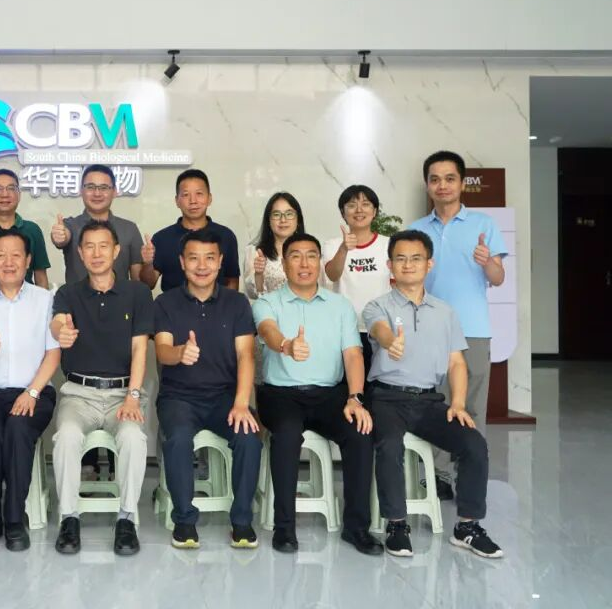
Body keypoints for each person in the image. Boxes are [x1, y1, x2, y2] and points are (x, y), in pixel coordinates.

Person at [364, 230, 503, 559]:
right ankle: (397, 525)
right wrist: (390, 341)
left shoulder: (445, 312)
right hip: (386, 398)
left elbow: (456, 363)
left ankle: (467, 526)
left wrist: (458, 403)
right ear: (390, 265)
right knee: (389, 446)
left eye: (416, 258)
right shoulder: (377, 306)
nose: (408, 264)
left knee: (473, 443)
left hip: (429, 400)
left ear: (429, 264)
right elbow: (378, 329)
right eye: (400, 258)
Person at [252, 233, 382, 556]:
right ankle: (284, 528)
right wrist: (286, 345)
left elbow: (353, 355)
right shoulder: (268, 302)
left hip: (330, 395)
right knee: (286, 435)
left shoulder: (340, 306)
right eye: (295, 256)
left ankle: (356, 527)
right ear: (284, 264)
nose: (304, 263)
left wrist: (355, 397)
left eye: (311, 255)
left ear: (320, 263)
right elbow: (267, 331)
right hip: (280, 394)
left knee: (359, 432)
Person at [153, 228, 262, 550]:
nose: (202, 266)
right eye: (194, 258)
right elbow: (161, 351)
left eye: (210, 258)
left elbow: (246, 355)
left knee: (249, 437)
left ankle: (242, 521)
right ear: (182, 262)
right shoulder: (165, 302)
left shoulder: (237, 303)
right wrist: (179, 353)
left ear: (220, 261)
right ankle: (184, 520)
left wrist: (241, 403)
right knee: (178, 440)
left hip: (225, 397)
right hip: (178, 397)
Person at [50, 220, 153, 556]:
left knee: (133, 437)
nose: (96, 254)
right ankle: (69, 517)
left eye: (103, 246)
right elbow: (58, 322)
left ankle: (127, 518)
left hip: (124, 393)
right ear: (80, 253)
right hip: (79, 394)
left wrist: (133, 396)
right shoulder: (68, 294)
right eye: (89, 247)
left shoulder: (138, 293)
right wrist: (61, 332)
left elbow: (140, 349)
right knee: (66, 436)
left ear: (116, 250)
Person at [409, 150, 507, 499]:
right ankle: (436, 475)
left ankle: (469, 470)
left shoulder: (483, 225)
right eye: (435, 179)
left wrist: (487, 261)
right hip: (428, 330)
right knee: (435, 403)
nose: (442, 185)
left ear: (462, 183)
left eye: (449, 178)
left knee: (472, 404)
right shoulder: (416, 230)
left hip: (473, 329)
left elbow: (498, 277)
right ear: (427, 185)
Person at [0, 228, 61, 552]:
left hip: (33, 390)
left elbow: (53, 354)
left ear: (28, 260)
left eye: (16, 255)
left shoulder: (46, 300)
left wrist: (31, 393)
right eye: (1, 256)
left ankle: (15, 518)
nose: (9, 262)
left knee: (19, 428)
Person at [321, 185, 392, 370]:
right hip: (346, 330)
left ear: (374, 211)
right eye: (352, 205)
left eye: (366, 204)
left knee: (378, 382)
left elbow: (398, 285)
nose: (359, 210)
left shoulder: (389, 244)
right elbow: (332, 275)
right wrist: (344, 249)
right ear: (343, 213)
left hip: (381, 328)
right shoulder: (332, 244)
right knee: (348, 383)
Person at [139, 169, 241, 293]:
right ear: (177, 201)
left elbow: (232, 280)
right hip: (173, 304)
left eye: (199, 193)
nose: (193, 201)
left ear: (209, 198)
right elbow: (148, 284)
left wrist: (227, 304)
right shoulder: (162, 238)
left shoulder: (226, 236)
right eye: (186, 195)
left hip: (217, 305)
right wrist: (148, 263)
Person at [50, 164, 143, 284]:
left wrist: (149, 264)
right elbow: (62, 237)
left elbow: (139, 281)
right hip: (76, 296)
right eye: (90, 187)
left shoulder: (129, 229)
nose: (97, 193)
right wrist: (59, 236)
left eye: (104, 188)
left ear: (114, 191)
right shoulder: (70, 225)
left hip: (120, 296)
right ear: (81, 191)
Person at [243, 191, 305, 301]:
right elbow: (252, 294)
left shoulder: (309, 251)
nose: (283, 220)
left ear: (298, 220)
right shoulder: (255, 252)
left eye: (289, 214)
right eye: (276, 214)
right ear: (268, 220)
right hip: (268, 310)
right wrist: (258, 275)